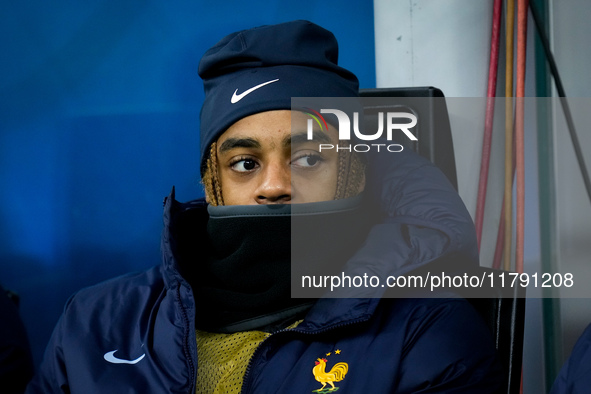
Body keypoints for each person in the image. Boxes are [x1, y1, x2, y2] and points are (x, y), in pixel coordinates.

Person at [26, 20, 503, 393]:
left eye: (310, 158)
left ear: (355, 170)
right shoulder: (93, 320)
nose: (274, 186)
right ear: (211, 181)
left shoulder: (426, 329)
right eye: (245, 162)